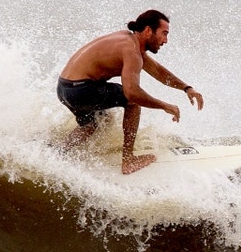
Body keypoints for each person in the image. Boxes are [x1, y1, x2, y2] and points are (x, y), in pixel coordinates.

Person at [56, 9, 204, 174]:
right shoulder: (132, 51)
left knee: (92, 124)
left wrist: (186, 88)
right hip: (81, 90)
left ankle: (58, 153)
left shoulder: (128, 39)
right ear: (148, 31)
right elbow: (132, 93)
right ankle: (128, 160)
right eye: (164, 33)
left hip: (64, 89)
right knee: (132, 101)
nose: (166, 40)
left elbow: (158, 71)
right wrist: (164, 106)